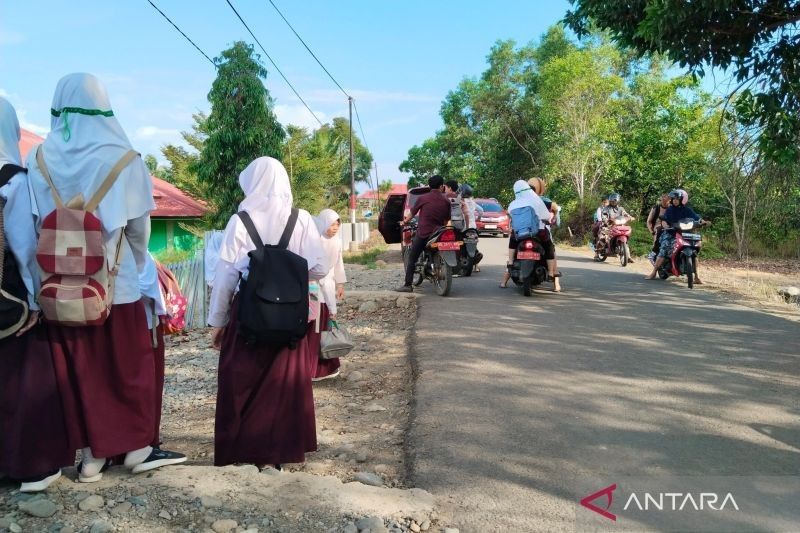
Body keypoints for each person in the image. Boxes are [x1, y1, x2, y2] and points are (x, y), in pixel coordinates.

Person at [25, 73, 185, 483]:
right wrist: (135, 269)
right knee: (125, 367)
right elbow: (138, 233)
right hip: (117, 285)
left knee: (82, 370)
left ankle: (92, 456)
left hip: (59, 286)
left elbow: (31, 227)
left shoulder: (39, 160)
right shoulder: (125, 160)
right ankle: (136, 448)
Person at [208, 156, 328, 470]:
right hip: (290, 314)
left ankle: (242, 453)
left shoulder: (240, 220)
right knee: (283, 382)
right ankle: (278, 455)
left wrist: (217, 322)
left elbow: (225, 278)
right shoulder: (301, 219)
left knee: (240, 378)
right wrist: (287, 274)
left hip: (248, 312)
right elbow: (320, 267)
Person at [0, 97, 73, 492]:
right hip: (8, 303)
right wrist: (33, 302)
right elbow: (25, 248)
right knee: (26, 382)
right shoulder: (13, 180)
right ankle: (31, 466)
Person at [499, 180, 560, 291]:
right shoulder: (537, 201)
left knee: (512, 241)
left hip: (520, 234)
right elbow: (546, 215)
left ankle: (511, 261)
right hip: (538, 232)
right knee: (549, 246)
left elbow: (510, 215)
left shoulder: (513, 203)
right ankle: (551, 272)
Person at [396, 175, 451, 293]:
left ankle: (407, 285)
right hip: (440, 232)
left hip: (424, 233)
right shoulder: (446, 200)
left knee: (412, 258)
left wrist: (405, 221)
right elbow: (446, 220)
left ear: (430, 186)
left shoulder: (423, 198)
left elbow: (411, 214)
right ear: (441, 186)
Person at [311, 209, 347, 382]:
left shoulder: (337, 241)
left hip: (328, 286)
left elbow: (338, 264)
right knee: (316, 329)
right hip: (314, 289)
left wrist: (340, 284)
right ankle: (315, 369)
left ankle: (326, 368)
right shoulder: (314, 240)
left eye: (337, 224)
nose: (334, 228)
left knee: (324, 329)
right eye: (332, 224)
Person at [645, 189, 709, 282]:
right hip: (671, 233)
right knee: (664, 249)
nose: (675, 200)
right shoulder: (669, 209)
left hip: (685, 234)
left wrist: (702, 221)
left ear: (681, 199)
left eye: (677, 199)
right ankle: (654, 272)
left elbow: (696, 217)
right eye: (673, 199)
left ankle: (696, 277)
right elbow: (664, 219)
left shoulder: (687, 209)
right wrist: (666, 224)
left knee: (694, 251)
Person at [528, 177, 562, 289]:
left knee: (512, 251)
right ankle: (554, 279)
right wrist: (555, 214)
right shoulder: (543, 200)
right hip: (542, 231)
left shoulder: (520, 200)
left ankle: (506, 276)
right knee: (551, 250)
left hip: (524, 231)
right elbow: (555, 208)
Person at [596, 193, 635, 262]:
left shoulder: (621, 209)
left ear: (618, 201)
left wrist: (630, 217)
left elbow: (626, 214)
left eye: (615, 201)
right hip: (608, 226)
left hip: (619, 226)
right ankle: (597, 253)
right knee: (602, 237)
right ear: (610, 201)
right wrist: (606, 220)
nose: (613, 202)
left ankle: (628, 257)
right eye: (612, 201)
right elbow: (603, 215)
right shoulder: (606, 208)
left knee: (625, 238)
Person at [459, 184, 484, 272]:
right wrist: (478, 219)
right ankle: (476, 267)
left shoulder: (460, 201)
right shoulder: (473, 202)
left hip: (464, 227)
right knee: (474, 246)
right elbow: (481, 211)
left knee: (461, 245)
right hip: (473, 227)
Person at [646, 193, 670, 263]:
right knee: (658, 241)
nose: (664, 199)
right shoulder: (656, 207)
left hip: (670, 227)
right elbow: (649, 221)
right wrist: (652, 231)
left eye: (666, 197)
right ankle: (653, 255)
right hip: (658, 227)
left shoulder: (672, 208)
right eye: (663, 197)